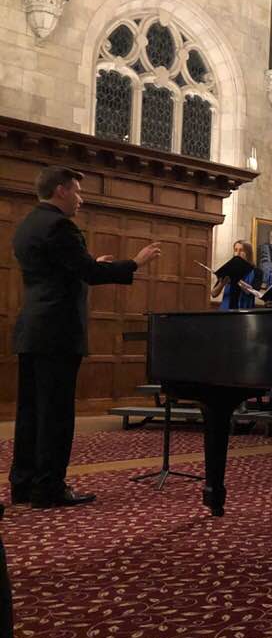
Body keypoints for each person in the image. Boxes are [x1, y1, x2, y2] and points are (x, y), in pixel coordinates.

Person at [10, 166, 161, 507]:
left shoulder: (28, 224)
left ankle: (23, 484)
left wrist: (89, 262)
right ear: (61, 190)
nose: (81, 198)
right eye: (77, 191)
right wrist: (134, 264)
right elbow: (89, 273)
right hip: (57, 332)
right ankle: (48, 488)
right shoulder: (61, 226)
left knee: (31, 411)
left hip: (32, 328)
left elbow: (62, 269)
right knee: (56, 413)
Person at [211, 240, 263, 310]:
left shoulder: (257, 272)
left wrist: (236, 280)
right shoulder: (228, 268)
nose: (238, 253)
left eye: (241, 250)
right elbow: (213, 294)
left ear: (248, 253)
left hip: (245, 312)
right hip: (226, 311)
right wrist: (222, 283)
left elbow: (253, 292)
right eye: (235, 250)